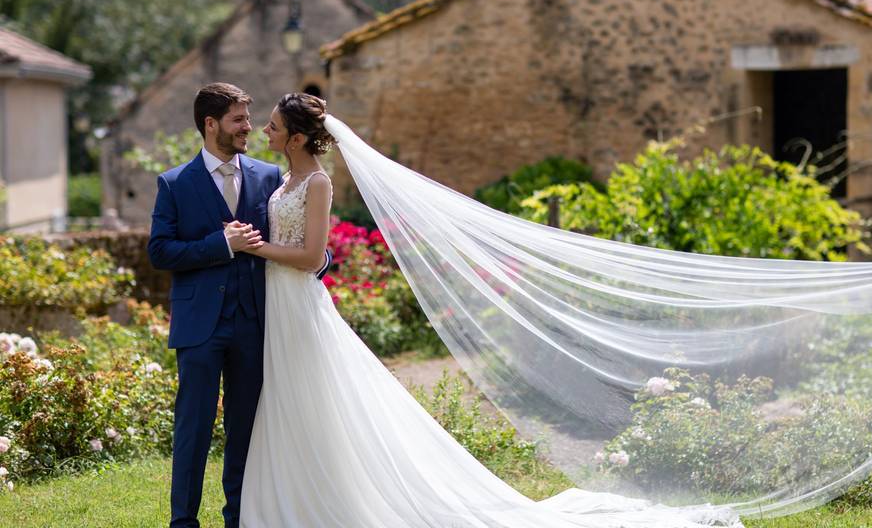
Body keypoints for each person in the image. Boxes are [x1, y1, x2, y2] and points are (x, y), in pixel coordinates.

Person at [237, 92, 739, 528]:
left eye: (275, 126)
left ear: (298, 138)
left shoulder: (319, 184)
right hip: (278, 303)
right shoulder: (282, 180)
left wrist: (255, 248)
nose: (265, 130)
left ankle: (332, 500)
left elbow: (310, 257)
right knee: (290, 397)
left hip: (299, 301)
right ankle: (299, 493)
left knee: (313, 397)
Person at [147, 83, 330, 528]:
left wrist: (318, 264)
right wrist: (220, 244)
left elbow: (300, 241)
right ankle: (183, 521)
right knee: (193, 427)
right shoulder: (174, 183)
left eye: (250, 119)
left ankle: (240, 518)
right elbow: (160, 252)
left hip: (257, 321)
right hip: (200, 326)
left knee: (246, 429)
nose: (248, 127)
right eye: (238, 120)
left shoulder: (271, 177)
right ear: (211, 125)